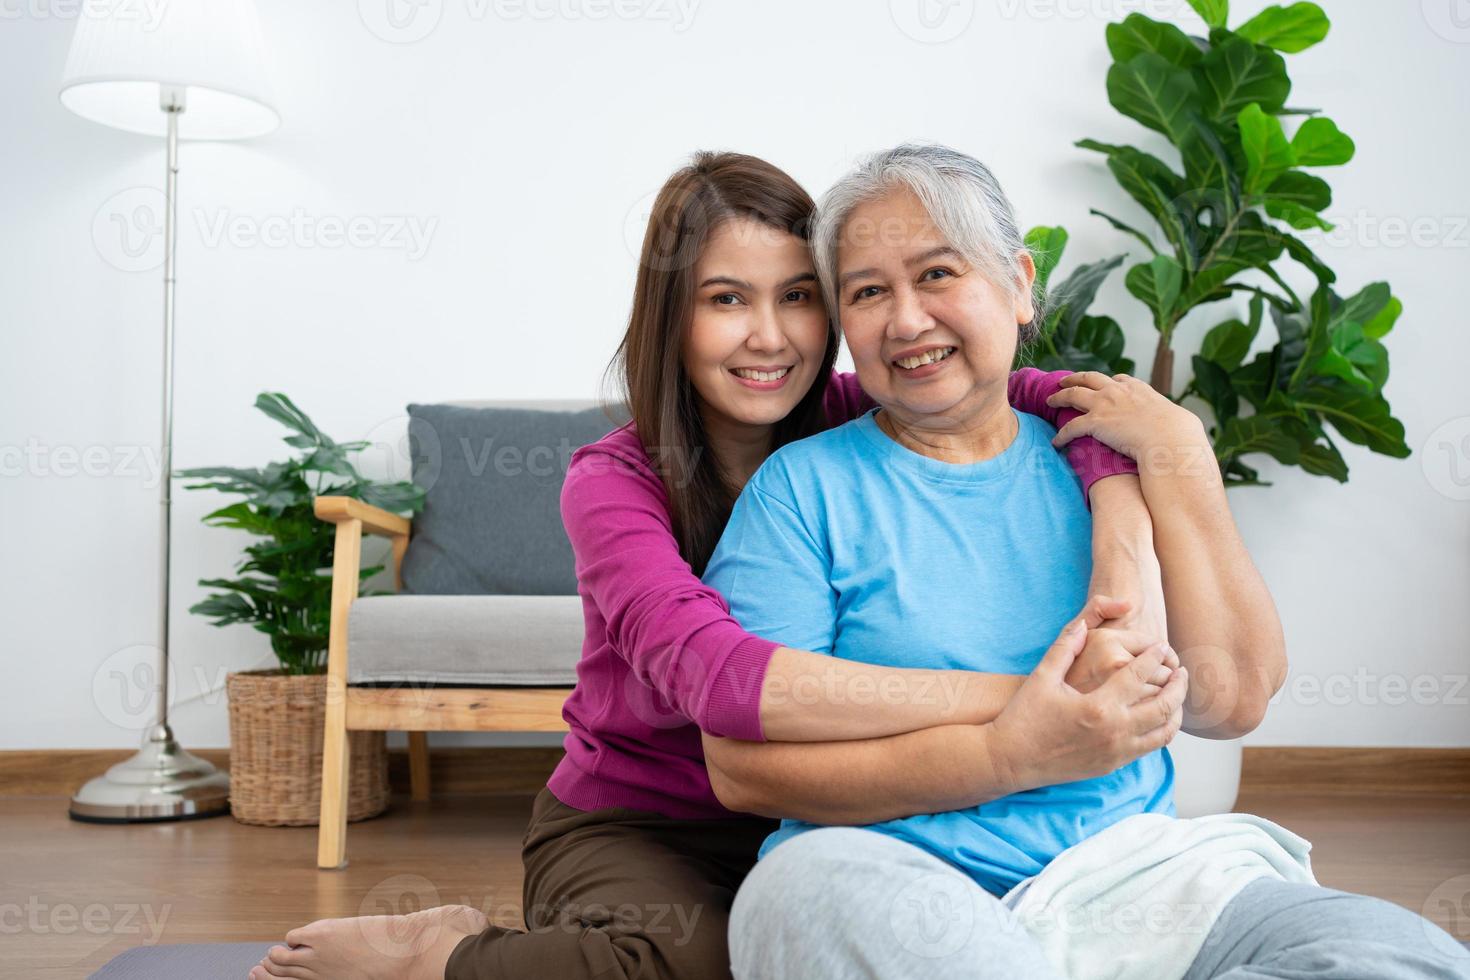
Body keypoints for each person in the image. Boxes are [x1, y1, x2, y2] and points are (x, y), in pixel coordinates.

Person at [249, 151, 1163, 980]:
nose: (770, 337)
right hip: (649, 822)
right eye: (728, 299)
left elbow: (1029, 391)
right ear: (672, 318)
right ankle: (440, 953)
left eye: (798, 296)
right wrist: (1030, 704)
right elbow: (722, 684)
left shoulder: (850, 413)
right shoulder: (613, 480)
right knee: (682, 965)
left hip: (837, 810)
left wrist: (1123, 500)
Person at [703, 143, 1470, 980]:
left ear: (1020, 284)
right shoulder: (799, 491)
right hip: (898, 881)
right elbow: (747, 770)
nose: (907, 320)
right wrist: (1011, 751)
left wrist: (1184, 454)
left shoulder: (1109, 462)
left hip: (1138, 878)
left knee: (1396, 953)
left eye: (936, 275)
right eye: (868, 292)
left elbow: (1229, 697)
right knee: (799, 894)